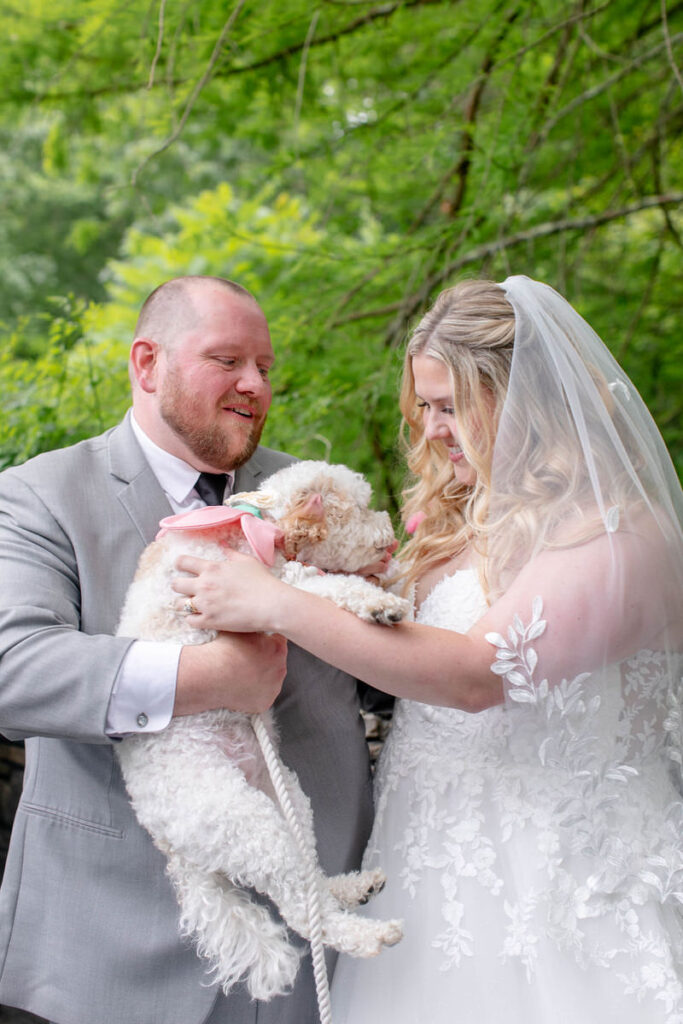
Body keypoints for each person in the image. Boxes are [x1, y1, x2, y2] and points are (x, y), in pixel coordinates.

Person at [171, 276, 683, 1023]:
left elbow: (477, 674)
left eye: (452, 407)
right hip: (424, 863)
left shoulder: (619, 539)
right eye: (426, 408)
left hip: (563, 884)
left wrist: (277, 601)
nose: (434, 429)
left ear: (525, 405)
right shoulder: (457, 522)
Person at [0, 276, 376, 1024]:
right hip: (106, 947)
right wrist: (203, 677)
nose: (254, 385)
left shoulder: (311, 494)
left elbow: (387, 661)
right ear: (147, 364)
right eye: (227, 360)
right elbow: (14, 669)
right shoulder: (40, 495)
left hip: (311, 954)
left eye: (265, 367)